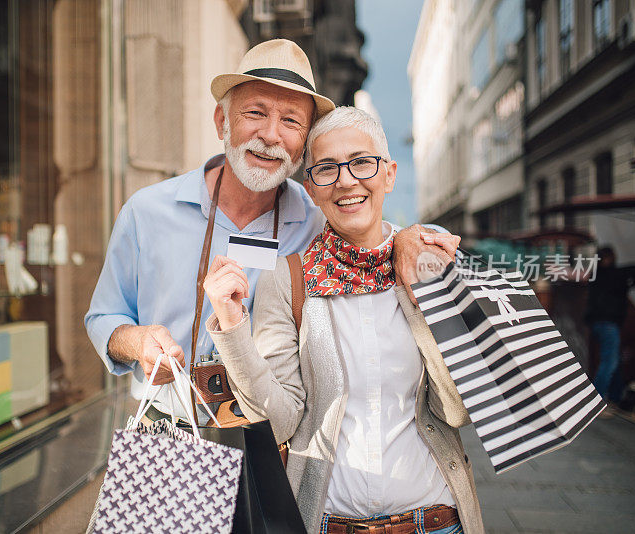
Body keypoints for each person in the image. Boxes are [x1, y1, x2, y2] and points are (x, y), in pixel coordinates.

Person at [85, 39, 459, 421]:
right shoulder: (147, 211)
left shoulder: (319, 218)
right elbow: (103, 318)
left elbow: (384, 232)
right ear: (222, 122)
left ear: (304, 146)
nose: (271, 135)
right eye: (255, 112)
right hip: (172, 433)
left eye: (291, 121)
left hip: (278, 442)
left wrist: (410, 237)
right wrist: (137, 342)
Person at [204, 107, 482, 533]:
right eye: (327, 169)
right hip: (328, 523)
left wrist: (424, 294)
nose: (347, 180)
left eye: (361, 162)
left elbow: (457, 411)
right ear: (312, 190)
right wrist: (231, 325)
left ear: (388, 174)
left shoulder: (430, 265)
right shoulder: (288, 280)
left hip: (437, 521)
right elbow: (280, 422)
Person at [585, 245, 635, 416]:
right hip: (608, 324)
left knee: (613, 361)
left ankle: (616, 398)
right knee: (610, 361)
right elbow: (631, 273)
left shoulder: (597, 275)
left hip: (599, 324)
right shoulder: (615, 275)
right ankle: (597, 402)